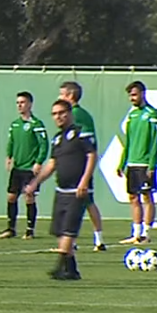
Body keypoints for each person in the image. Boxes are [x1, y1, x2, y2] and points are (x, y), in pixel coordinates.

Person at [25, 100, 97, 280]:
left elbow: (92, 155)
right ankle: (71, 269)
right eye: (54, 114)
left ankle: (59, 266)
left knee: (68, 230)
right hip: (61, 190)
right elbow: (52, 164)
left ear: (69, 113)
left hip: (77, 190)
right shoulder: (57, 138)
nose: (58, 117)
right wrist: (36, 182)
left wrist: (84, 181)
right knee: (59, 230)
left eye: (61, 113)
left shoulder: (81, 134)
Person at [58, 81, 105, 251]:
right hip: (79, 165)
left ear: (70, 96)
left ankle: (80, 239)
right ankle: (95, 239)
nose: (59, 97)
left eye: (62, 94)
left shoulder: (76, 115)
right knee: (85, 202)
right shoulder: (82, 114)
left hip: (79, 166)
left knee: (79, 202)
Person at [117, 81, 157, 245]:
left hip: (145, 164)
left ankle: (146, 233)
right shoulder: (132, 115)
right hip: (132, 163)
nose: (132, 98)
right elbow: (128, 141)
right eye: (130, 95)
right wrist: (122, 162)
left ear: (143, 93)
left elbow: (155, 142)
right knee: (133, 197)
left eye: (134, 94)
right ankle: (136, 233)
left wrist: (152, 165)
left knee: (146, 197)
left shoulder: (152, 114)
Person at [1, 91, 49, 240]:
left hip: (30, 167)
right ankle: (11, 228)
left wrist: (38, 162)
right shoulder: (15, 124)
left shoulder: (36, 124)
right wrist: (9, 156)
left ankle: (29, 230)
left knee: (29, 197)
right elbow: (11, 142)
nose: (19, 105)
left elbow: (44, 145)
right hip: (18, 167)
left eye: (22, 102)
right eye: (17, 103)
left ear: (29, 104)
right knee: (11, 197)